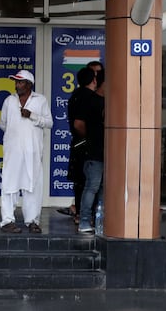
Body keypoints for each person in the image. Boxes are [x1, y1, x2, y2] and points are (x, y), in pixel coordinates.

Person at [0, 69, 53, 234]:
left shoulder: (40, 100)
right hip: (13, 151)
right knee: (9, 185)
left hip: (33, 152)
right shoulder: (9, 101)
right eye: (16, 82)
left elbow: (49, 123)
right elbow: (3, 124)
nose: (17, 85)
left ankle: (32, 221)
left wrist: (32, 116)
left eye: (20, 82)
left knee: (32, 186)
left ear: (29, 84)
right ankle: (7, 221)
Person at [74, 67, 106, 234]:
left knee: (102, 189)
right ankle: (84, 221)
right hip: (93, 153)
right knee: (91, 187)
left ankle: (99, 221)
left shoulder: (108, 101)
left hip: (106, 153)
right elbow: (78, 124)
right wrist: (91, 138)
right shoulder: (90, 100)